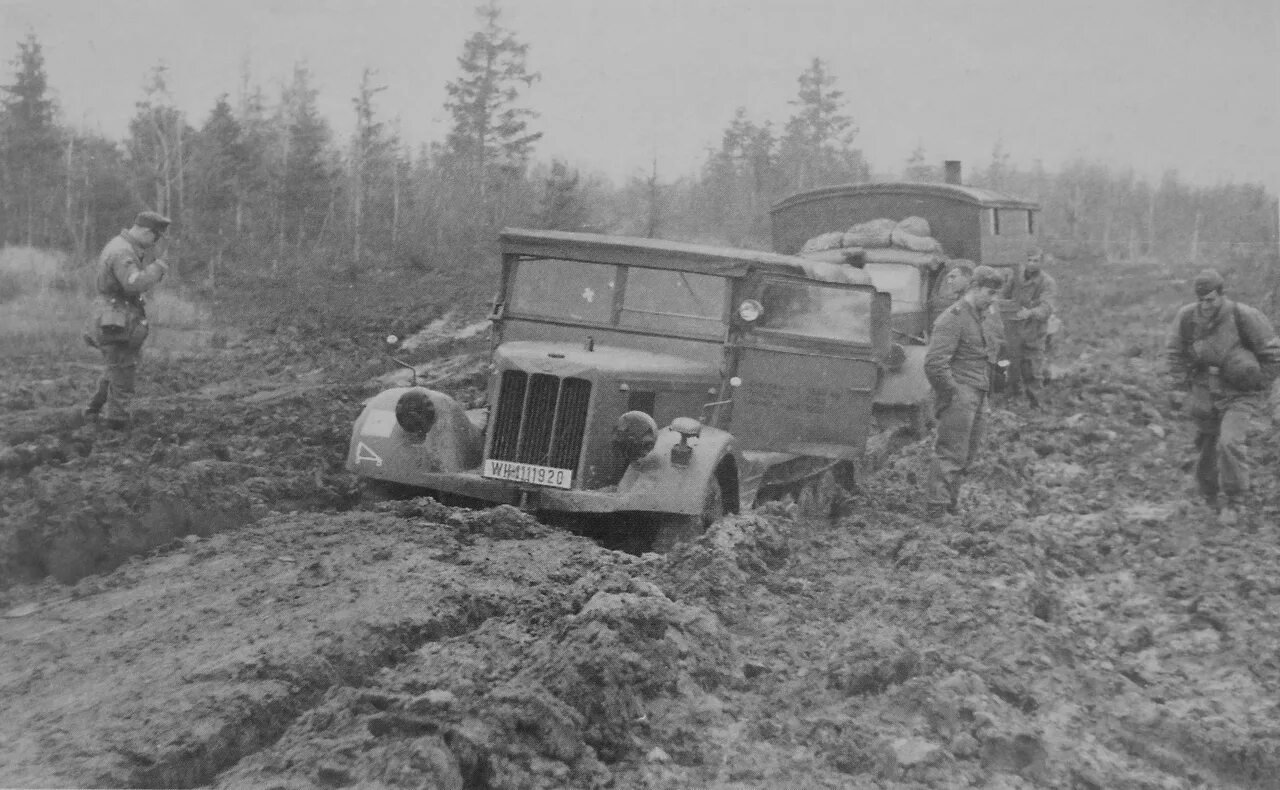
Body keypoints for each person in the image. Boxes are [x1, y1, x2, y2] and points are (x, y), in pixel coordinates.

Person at [1165, 269, 1280, 525]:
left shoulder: (1243, 315)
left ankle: (1234, 501)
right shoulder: (1187, 317)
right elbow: (1174, 352)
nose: (1206, 305)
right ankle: (1208, 495)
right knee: (1206, 446)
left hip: (1239, 393)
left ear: (1221, 294)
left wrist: (1258, 383)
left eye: (1211, 299)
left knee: (1229, 442)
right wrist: (1179, 384)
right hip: (1204, 391)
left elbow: (1273, 354)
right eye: (1202, 300)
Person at [923, 264, 1005, 517]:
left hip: (979, 393)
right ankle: (936, 509)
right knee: (951, 453)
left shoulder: (980, 316)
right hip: (961, 393)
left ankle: (951, 502)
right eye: (990, 293)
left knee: (968, 453)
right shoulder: (953, 317)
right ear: (976, 288)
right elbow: (935, 364)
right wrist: (953, 393)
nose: (993, 299)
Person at [83, 211, 172, 430]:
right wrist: (158, 268)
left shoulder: (124, 247)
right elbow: (133, 283)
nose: (155, 243)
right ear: (144, 230)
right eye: (155, 237)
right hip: (115, 319)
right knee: (123, 374)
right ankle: (116, 427)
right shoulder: (122, 251)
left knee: (115, 369)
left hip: (115, 316)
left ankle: (92, 413)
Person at [1001, 250, 1057, 409]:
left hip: (1034, 332)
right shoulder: (1016, 278)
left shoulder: (1047, 282)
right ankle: (1011, 404)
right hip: (1013, 330)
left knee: (1033, 371)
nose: (1032, 263)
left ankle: (1037, 407)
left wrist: (1031, 312)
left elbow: (1047, 307)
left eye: (1036, 260)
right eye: (1029, 260)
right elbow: (1003, 296)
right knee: (1011, 369)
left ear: (1041, 262)